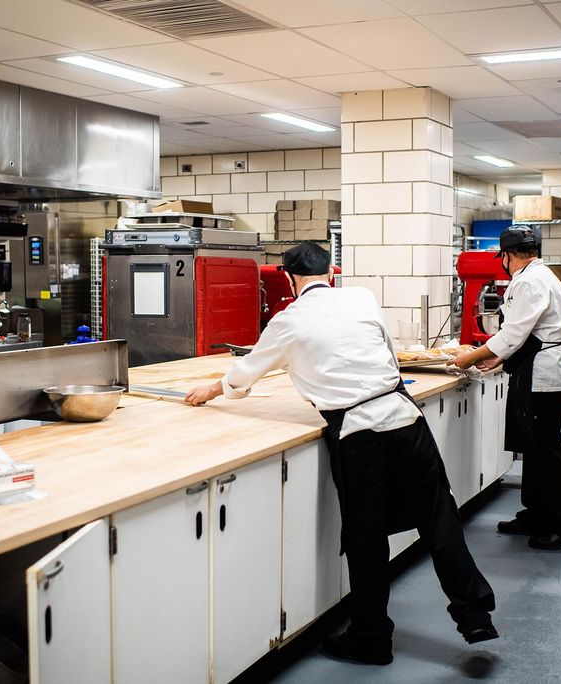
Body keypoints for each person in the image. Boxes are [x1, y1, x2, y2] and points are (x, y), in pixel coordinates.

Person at [186, 242, 498, 666]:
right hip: (405, 418)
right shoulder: (361, 297)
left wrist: (213, 390)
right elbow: (388, 352)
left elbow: (246, 373)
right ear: (331, 272)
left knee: (365, 538)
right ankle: (475, 613)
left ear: (289, 279)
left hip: (359, 432)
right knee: (439, 515)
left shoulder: (287, 319)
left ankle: (371, 637)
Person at [452, 225, 561, 550]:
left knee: (547, 450)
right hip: (537, 369)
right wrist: (498, 360)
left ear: (507, 256)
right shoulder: (541, 276)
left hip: (543, 377)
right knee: (534, 447)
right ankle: (536, 514)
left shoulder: (528, 281)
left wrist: (468, 358)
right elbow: (525, 334)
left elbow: (513, 334)